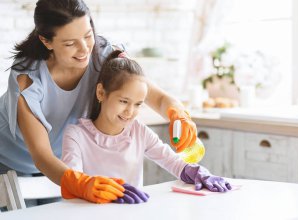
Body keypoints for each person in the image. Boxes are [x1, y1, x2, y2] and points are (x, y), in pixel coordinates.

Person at [0, 0, 196, 204]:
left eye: (88, 35)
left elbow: (158, 97)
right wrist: (80, 183)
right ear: (46, 41)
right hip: (8, 162)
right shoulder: (27, 78)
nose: (84, 49)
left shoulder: (104, 54)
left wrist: (178, 114)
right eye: (70, 43)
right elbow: (41, 156)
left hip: (60, 165)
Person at [61, 50, 231, 204]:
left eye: (138, 104)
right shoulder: (76, 135)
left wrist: (196, 172)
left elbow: (172, 161)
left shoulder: (138, 131)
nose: (130, 111)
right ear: (101, 93)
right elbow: (73, 181)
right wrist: (100, 192)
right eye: (123, 101)